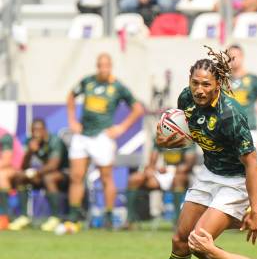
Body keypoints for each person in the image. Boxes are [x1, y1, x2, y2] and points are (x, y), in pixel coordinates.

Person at [126, 46, 257, 259]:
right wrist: (171, 140)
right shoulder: (186, 99)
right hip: (208, 174)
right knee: (180, 240)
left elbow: (252, 163)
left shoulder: (231, 115)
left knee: (198, 240)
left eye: (206, 84)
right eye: (195, 82)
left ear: (218, 85)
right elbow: (194, 133)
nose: (199, 90)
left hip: (236, 181)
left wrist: (256, 208)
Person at [62, 53, 144, 233]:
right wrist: (72, 120)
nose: (103, 69)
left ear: (111, 66)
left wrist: (121, 127)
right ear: (97, 66)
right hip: (83, 134)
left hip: (102, 136)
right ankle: (74, 217)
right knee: (76, 176)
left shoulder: (118, 86)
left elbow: (138, 108)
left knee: (106, 177)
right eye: (100, 65)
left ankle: (108, 216)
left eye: (106, 65)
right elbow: (70, 96)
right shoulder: (87, 82)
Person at [7, 119, 69, 232]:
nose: (36, 133)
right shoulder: (30, 141)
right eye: (33, 130)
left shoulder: (55, 140)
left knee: (49, 178)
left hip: (63, 175)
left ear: (45, 130)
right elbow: (24, 166)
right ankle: (24, 217)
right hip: (41, 174)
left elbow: (53, 166)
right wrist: (30, 151)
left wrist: (36, 173)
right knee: (20, 176)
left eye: (39, 130)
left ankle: (55, 218)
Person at [124, 140, 197, 228]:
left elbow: (187, 166)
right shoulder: (161, 135)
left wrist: (169, 169)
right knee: (135, 179)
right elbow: (151, 163)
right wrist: (151, 170)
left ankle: (178, 221)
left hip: (182, 176)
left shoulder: (187, 138)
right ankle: (130, 220)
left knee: (178, 179)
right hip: (164, 174)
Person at [228, 44, 257, 151]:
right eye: (230, 56)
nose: (233, 59)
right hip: (227, 132)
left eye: (236, 56)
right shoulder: (222, 81)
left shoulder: (254, 79)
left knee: (252, 166)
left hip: (250, 130)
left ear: (242, 57)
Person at [0, 130, 23, 230]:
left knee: (1, 176)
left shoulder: (5, 136)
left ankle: (6, 217)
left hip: (15, 168)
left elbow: (6, 161)